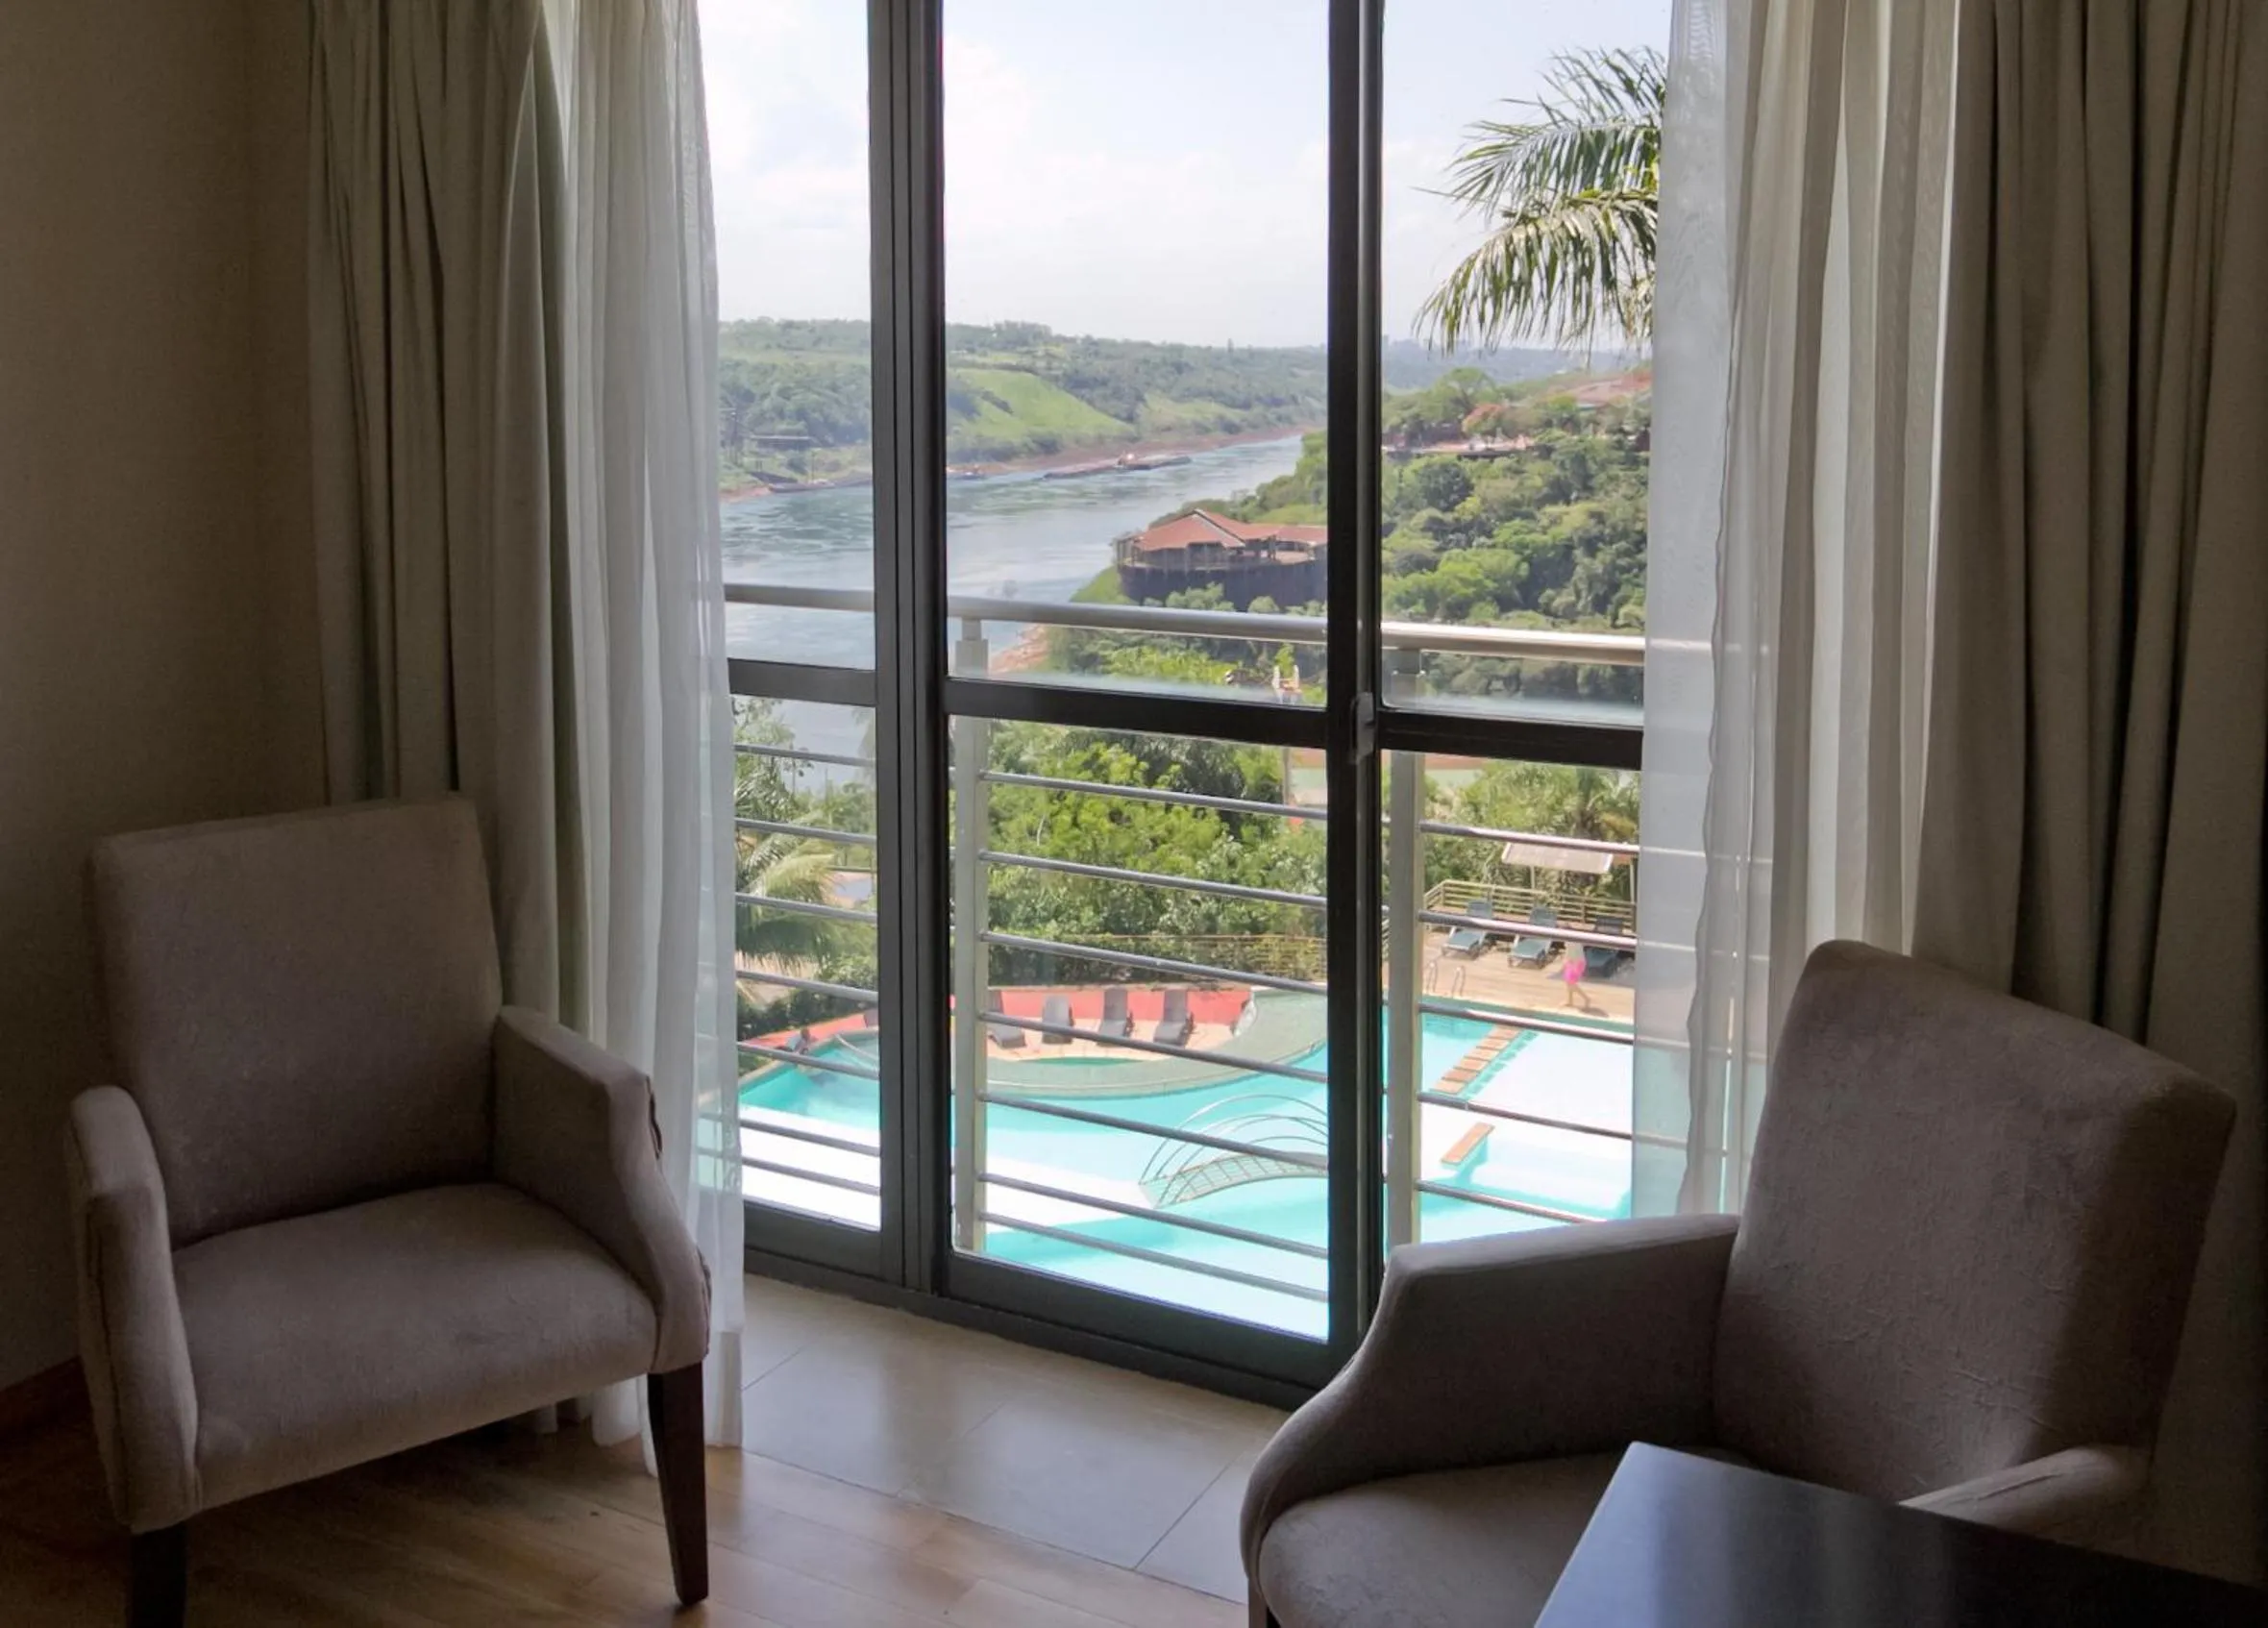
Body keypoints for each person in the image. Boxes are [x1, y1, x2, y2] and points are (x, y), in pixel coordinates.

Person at [1560, 943, 1586, 1009]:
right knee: (1568, 983)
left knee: (1571, 983)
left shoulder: (1574, 940)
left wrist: (1566, 962)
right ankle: (1570, 1001)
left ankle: (1586, 998)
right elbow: (1568, 951)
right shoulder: (1570, 938)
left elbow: (1574, 953)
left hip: (1576, 962)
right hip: (1571, 961)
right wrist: (1565, 961)